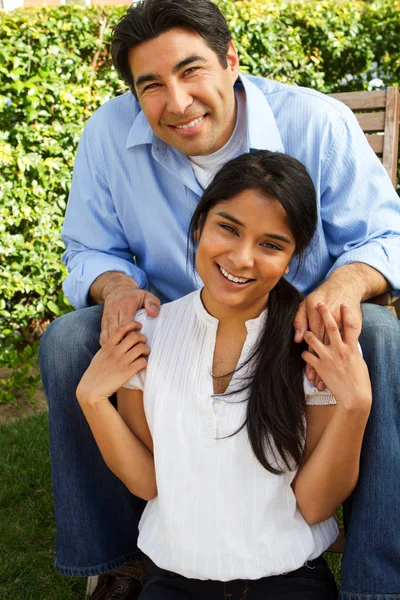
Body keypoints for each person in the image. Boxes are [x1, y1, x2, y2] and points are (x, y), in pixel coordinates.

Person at [38, 0, 400, 599]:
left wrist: (343, 284)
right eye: (150, 84)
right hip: (168, 322)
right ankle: (116, 563)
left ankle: (377, 581)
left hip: (289, 324)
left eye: (191, 71)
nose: (176, 103)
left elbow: (386, 237)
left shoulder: (318, 123)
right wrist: (118, 287)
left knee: (380, 335)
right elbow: (87, 249)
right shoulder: (106, 135)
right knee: (70, 338)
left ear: (230, 60)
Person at [76, 150, 371, 600]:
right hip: (174, 578)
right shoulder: (147, 334)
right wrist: (92, 400)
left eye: (271, 245)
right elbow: (149, 482)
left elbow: (313, 505)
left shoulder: (309, 345)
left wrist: (355, 406)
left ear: (292, 259)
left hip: (288, 579)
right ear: (199, 227)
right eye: (227, 229)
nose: (242, 258)